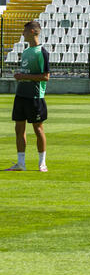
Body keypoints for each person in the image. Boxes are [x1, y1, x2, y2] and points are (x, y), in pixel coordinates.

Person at [5, 21, 51, 172]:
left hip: (35, 96)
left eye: (24, 31)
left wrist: (24, 76)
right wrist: (21, 77)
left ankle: (42, 163)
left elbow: (46, 77)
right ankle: (20, 163)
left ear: (32, 31)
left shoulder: (42, 52)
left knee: (38, 130)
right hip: (21, 95)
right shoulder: (25, 52)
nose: (22, 34)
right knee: (19, 129)